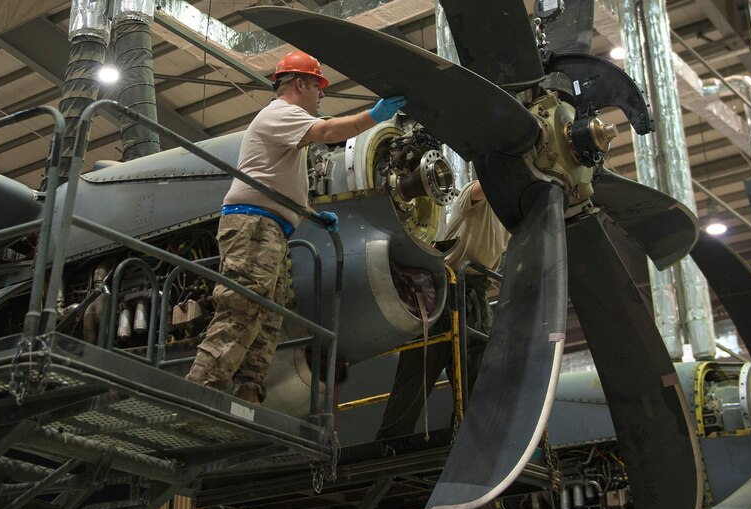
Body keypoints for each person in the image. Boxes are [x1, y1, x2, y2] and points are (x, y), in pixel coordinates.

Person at [187, 50, 407, 404]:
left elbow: (278, 182)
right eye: (318, 86)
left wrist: (310, 213)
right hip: (254, 226)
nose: (321, 95)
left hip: (271, 228)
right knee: (243, 307)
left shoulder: (287, 126)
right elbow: (331, 131)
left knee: (270, 316)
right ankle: (200, 393)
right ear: (300, 83)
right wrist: (375, 116)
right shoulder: (281, 114)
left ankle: (247, 397)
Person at [376, 179, 510, 438]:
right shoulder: (473, 197)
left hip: (475, 296)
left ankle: (466, 440)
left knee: (482, 376)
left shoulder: (508, 216)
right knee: (415, 378)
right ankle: (390, 444)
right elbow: (484, 186)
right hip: (446, 291)